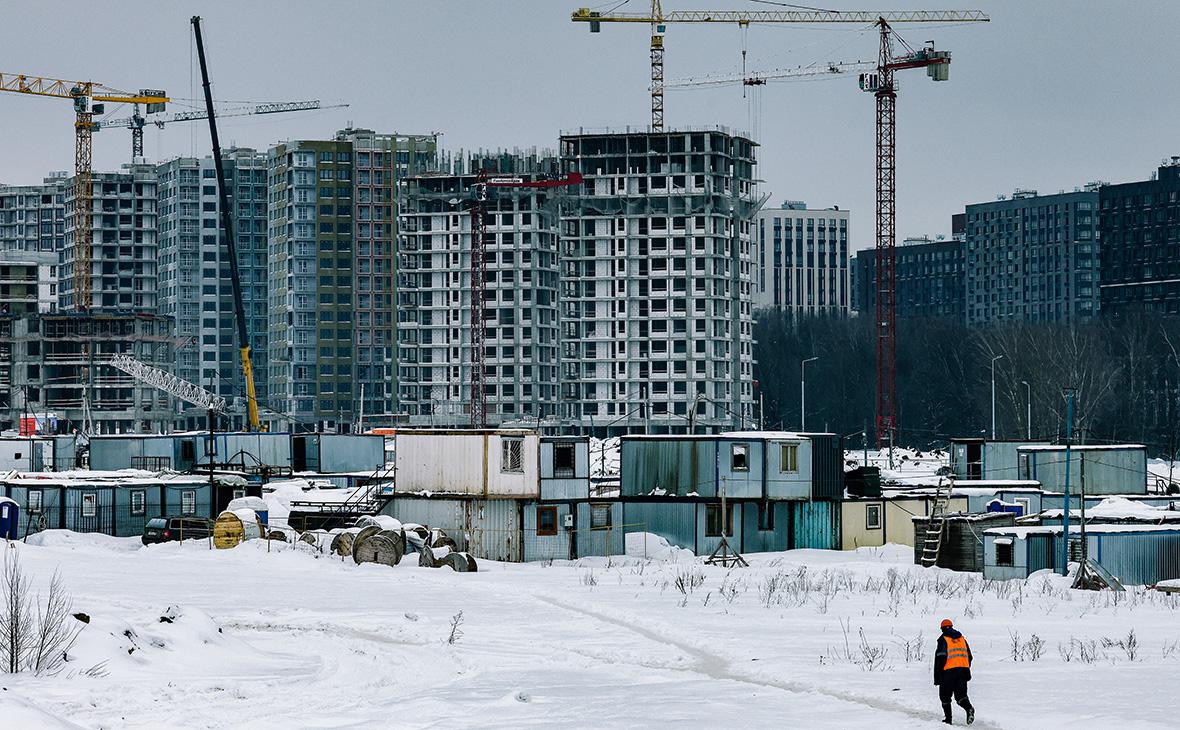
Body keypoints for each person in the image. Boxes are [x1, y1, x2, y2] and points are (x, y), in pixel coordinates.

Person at [934, 618, 975, 725]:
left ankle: (948, 720)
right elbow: (970, 656)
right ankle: (969, 708)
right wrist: (965, 667)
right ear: (952, 627)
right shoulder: (962, 639)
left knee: (945, 697)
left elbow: (941, 657)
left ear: (942, 629)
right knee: (961, 696)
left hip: (948, 672)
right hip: (962, 672)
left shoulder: (943, 639)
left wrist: (939, 674)